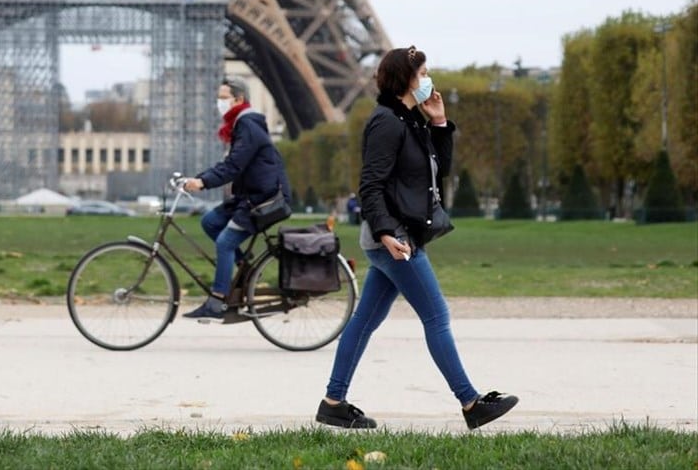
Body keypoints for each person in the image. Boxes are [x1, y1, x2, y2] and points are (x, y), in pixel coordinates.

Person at [315, 46, 517, 431]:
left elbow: (436, 174)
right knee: (437, 315)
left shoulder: (411, 120)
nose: (428, 80)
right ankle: (470, 402)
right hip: (394, 239)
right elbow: (369, 185)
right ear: (406, 78)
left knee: (365, 321)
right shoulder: (387, 122)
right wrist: (386, 231)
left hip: (400, 235)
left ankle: (333, 402)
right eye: (422, 73)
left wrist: (440, 123)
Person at [181, 76, 292, 319]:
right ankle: (246, 268)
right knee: (209, 222)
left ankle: (217, 301)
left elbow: (234, 166)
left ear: (238, 99)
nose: (219, 104)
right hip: (249, 195)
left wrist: (202, 182)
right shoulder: (241, 124)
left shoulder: (248, 125)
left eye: (223, 98)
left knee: (225, 242)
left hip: (264, 199)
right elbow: (231, 165)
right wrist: (200, 178)